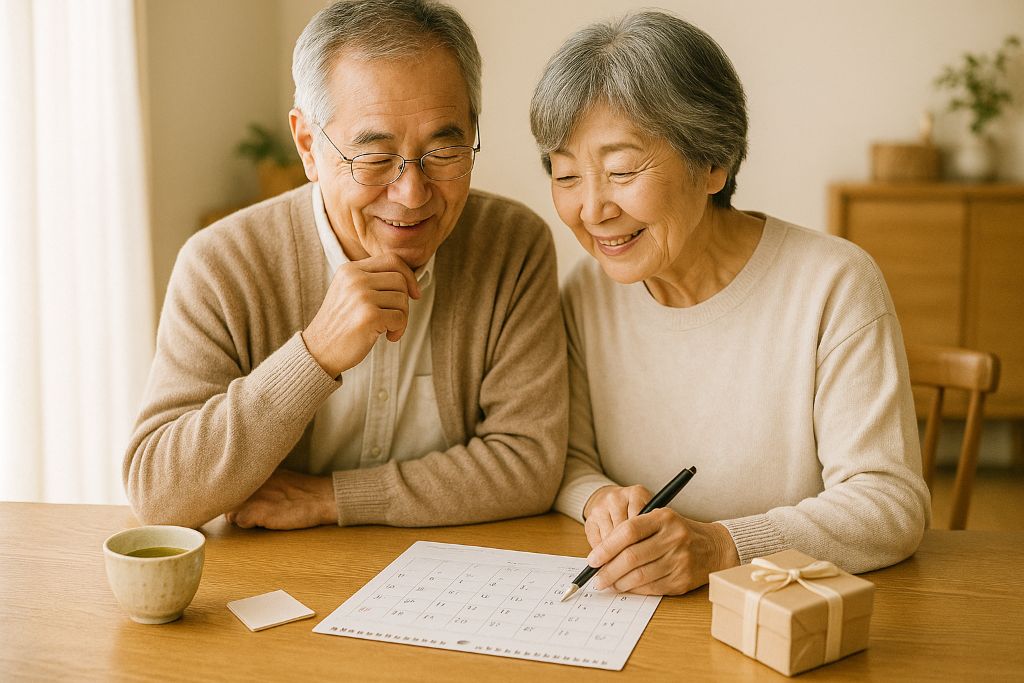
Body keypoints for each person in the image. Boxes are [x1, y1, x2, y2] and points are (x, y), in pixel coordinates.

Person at [124, 0, 567, 530]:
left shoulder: (512, 246)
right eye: (375, 158)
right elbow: (158, 495)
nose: (411, 193)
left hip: (455, 578)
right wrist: (314, 356)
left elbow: (529, 462)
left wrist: (331, 499)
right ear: (308, 146)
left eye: (443, 152)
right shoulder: (221, 263)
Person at [529, 10, 930, 595]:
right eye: (566, 176)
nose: (592, 210)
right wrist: (598, 501)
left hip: (792, 615)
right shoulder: (586, 294)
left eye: (620, 170)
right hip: (640, 613)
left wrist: (722, 546)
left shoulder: (833, 283)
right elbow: (568, 459)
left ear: (712, 161)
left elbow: (889, 504)